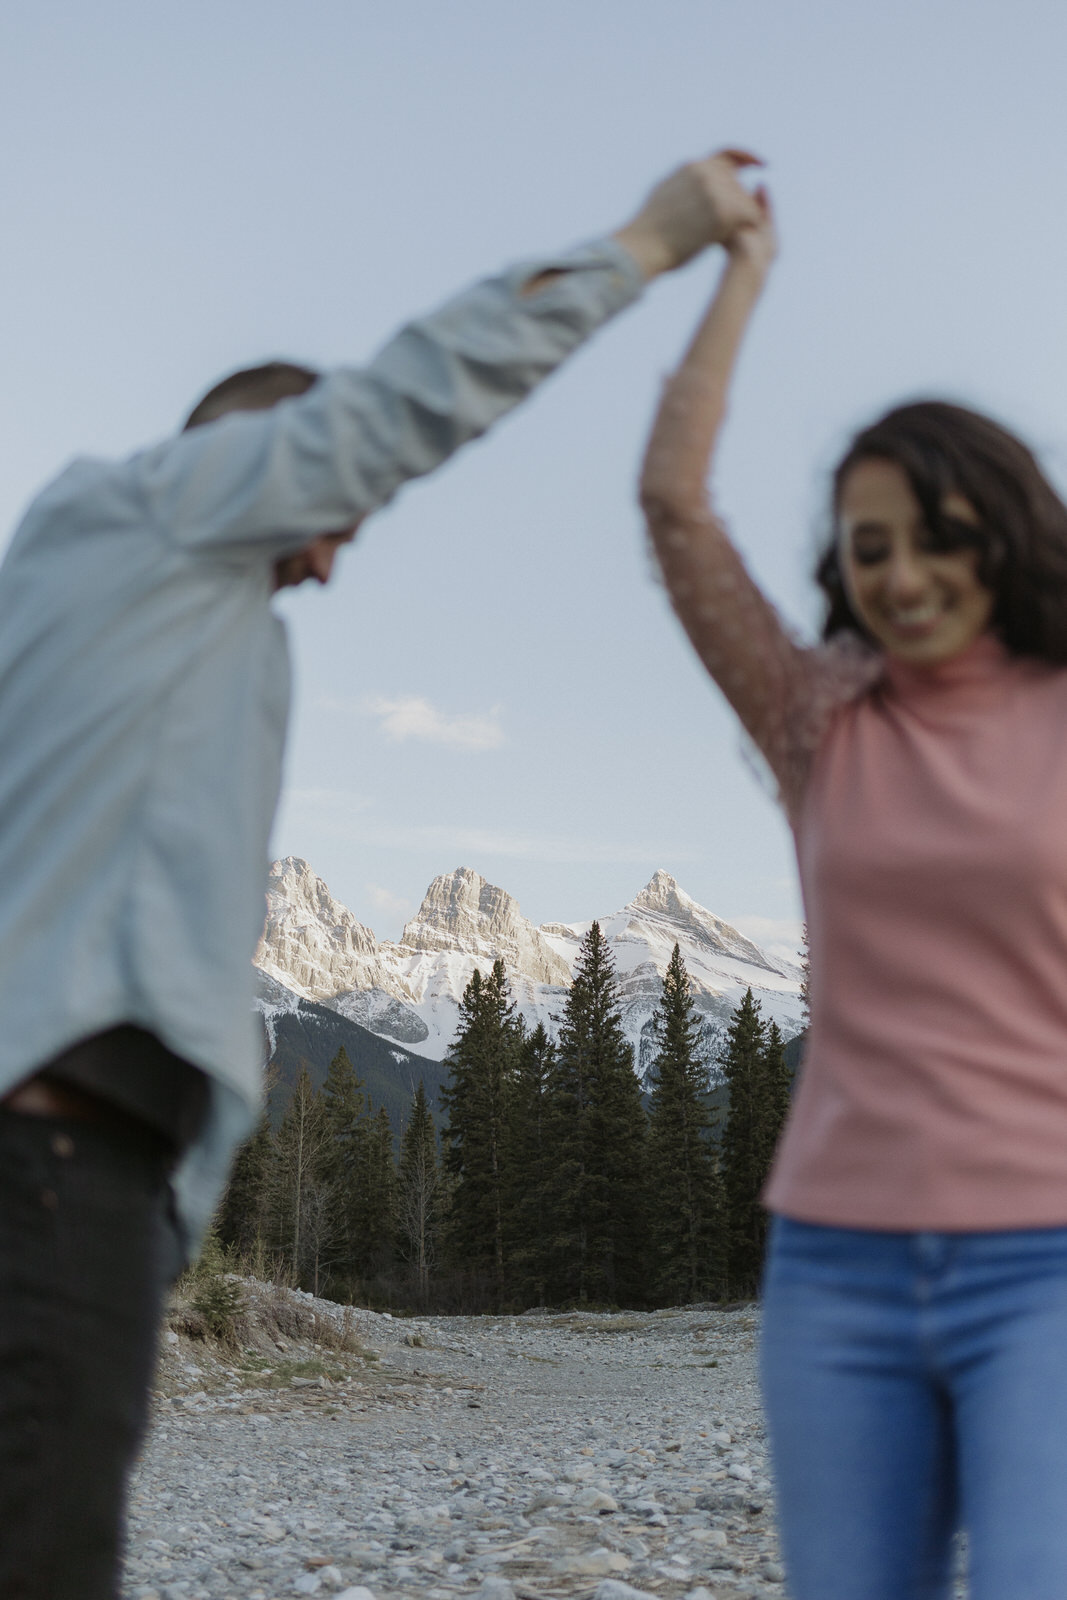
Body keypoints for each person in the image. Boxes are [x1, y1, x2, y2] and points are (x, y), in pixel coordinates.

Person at [0, 150, 763, 1600]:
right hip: (39, 1167)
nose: (339, 561)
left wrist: (165, 1221)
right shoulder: (150, 510)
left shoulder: (141, 617)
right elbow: (411, 395)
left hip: (85, 1183)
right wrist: (649, 245)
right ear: (260, 451)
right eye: (334, 511)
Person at [640, 169, 1067, 1598]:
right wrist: (740, 271)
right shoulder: (820, 717)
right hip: (836, 1271)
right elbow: (675, 508)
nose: (903, 573)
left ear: (1000, 529)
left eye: (935, 534)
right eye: (868, 547)